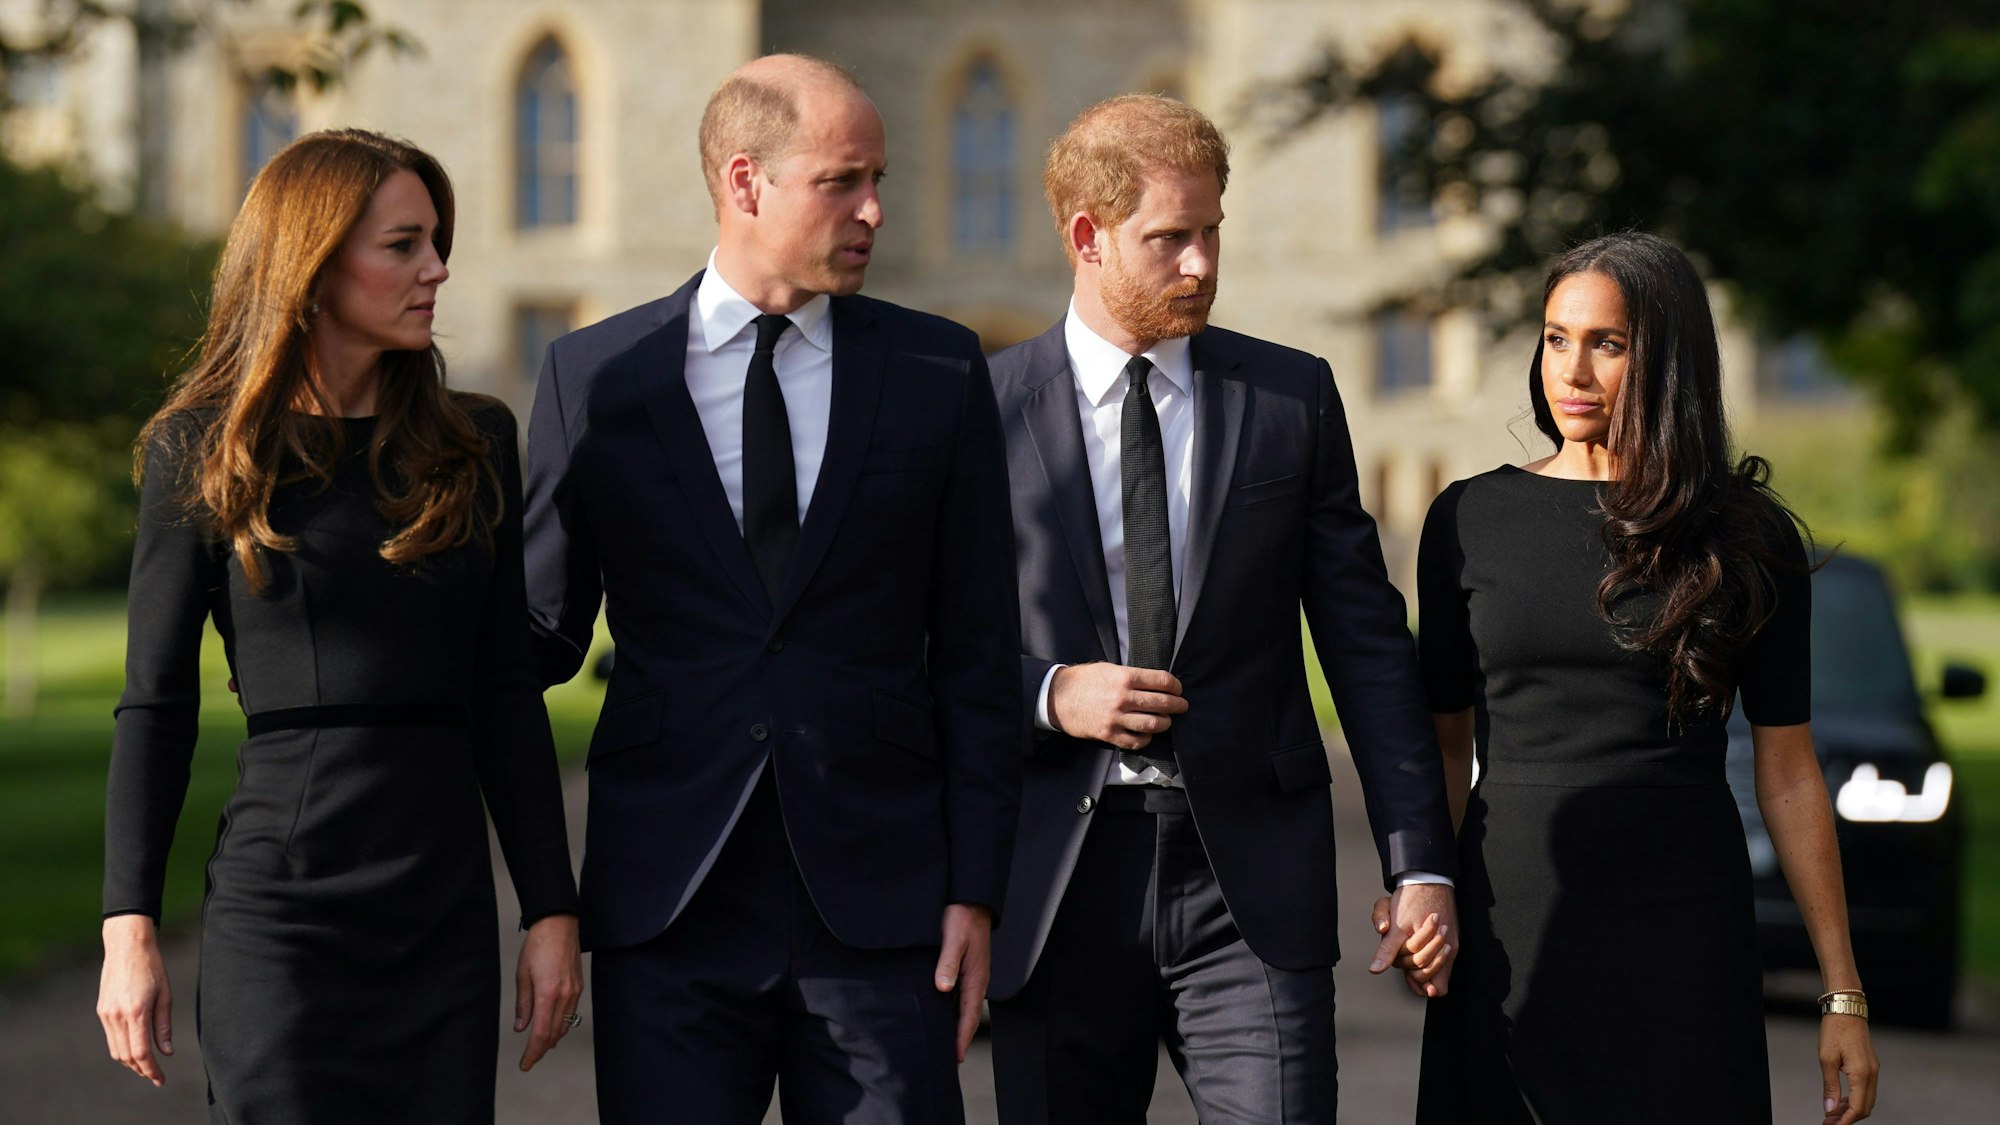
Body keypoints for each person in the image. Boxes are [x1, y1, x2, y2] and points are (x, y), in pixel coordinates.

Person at [520, 55, 1021, 1123]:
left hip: (882, 909)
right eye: (841, 181)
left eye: (877, 179)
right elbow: (535, 637)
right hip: (670, 903)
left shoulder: (939, 371)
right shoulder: (595, 377)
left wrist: (976, 888)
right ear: (745, 182)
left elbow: (978, 654)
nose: (873, 209)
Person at [983, 94, 1460, 1125]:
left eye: (1211, 232)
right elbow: (922, 644)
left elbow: (1367, 646)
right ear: (1086, 237)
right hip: (1055, 880)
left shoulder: (1291, 399)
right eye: (1169, 239)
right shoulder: (980, 411)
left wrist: (1420, 861)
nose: (1200, 264)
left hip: (1247, 885)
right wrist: (1051, 694)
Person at [96, 129, 583, 1122]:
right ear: (313, 267)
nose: (436, 268)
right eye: (403, 245)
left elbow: (505, 695)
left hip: (442, 911)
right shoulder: (204, 448)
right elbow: (156, 703)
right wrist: (127, 927)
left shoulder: (476, 442)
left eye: (436, 242)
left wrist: (550, 908)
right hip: (282, 914)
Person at [1404, 231, 1878, 1124]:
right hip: (1511, 916)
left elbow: (1788, 771)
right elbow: (1443, 744)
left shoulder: (1746, 535)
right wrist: (1422, 885)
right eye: (1556, 337)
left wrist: (1841, 990)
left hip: (1683, 925)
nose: (1571, 370)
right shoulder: (1468, 517)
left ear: (1666, 359)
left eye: (1607, 344)